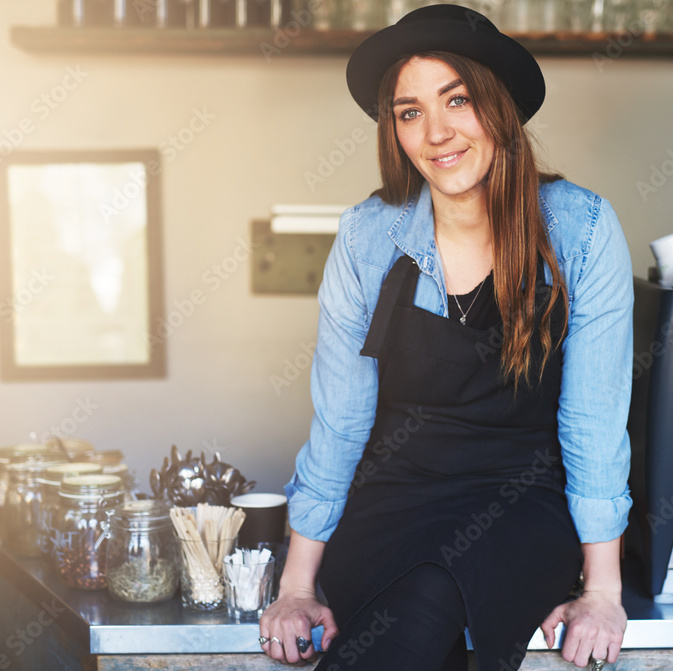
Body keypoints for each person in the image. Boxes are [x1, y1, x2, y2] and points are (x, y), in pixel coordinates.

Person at [259, 5, 634, 670]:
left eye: (456, 100)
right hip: (393, 502)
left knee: (431, 592)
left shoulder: (581, 229)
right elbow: (342, 420)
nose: (436, 132)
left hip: (523, 507)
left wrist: (603, 590)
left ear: (499, 108)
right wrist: (295, 586)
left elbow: (593, 423)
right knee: (413, 592)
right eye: (409, 112)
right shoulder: (368, 237)